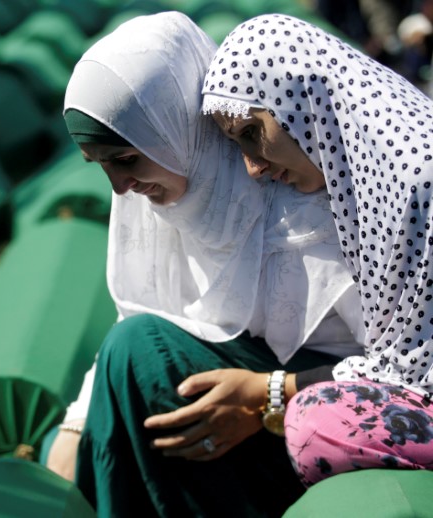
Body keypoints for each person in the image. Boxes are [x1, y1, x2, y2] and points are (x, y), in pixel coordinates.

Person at [48, 11, 367, 517]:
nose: (118, 187)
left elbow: (403, 373)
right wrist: (72, 428)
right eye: (101, 166)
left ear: (177, 126)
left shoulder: (303, 199)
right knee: (67, 441)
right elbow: (135, 311)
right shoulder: (163, 203)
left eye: (126, 159)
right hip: (237, 415)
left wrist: (270, 400)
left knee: (140, 355)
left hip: (326, 420)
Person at [202, 13, 433, 486]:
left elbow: (412, 372)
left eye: (252, 133)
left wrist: (274, 391)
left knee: (318, 423)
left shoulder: (416, 179)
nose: (252, 168)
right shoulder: (363, 179)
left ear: (301, 98)